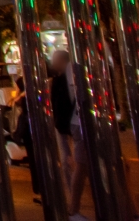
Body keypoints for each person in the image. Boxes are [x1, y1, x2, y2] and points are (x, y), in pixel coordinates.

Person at [49, 49, 85, 220]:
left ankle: (74, 206)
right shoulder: (62, 78)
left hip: (71, 123)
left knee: (78, 162)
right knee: (77, 162)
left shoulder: (66, 76)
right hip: (72, 123)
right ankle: (73, 206)